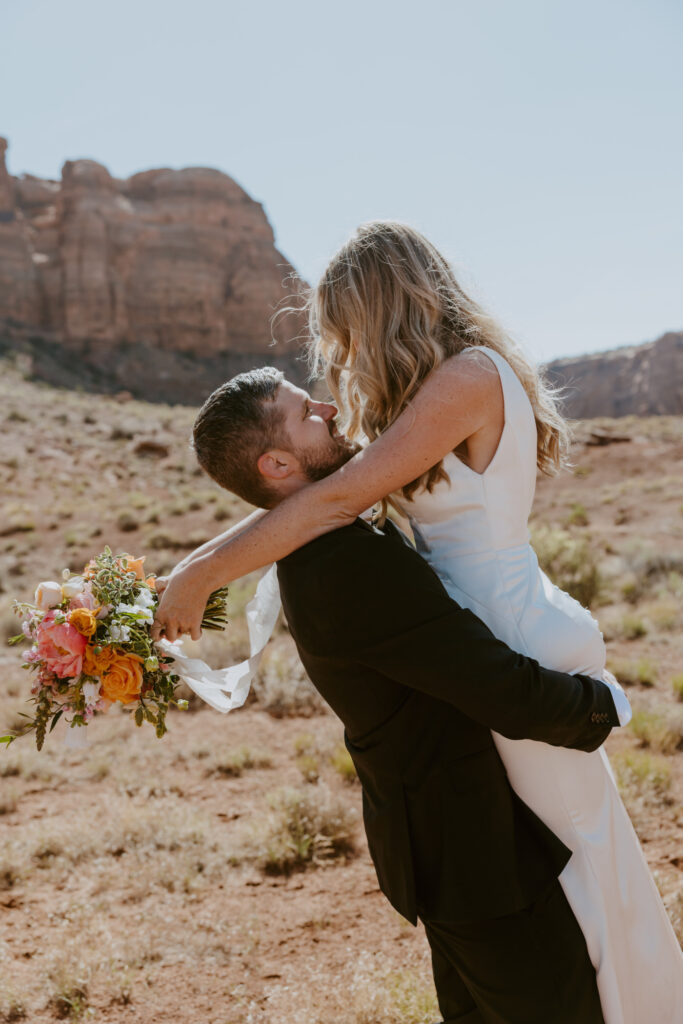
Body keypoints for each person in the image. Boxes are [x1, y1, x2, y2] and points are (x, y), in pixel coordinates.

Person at [153, 224, 683, 1021]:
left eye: (343, 330)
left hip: (506, 631)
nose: (338, 358)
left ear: (381, 308)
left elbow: (330, 499)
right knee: (572, 868)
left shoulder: (466, 378)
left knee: (576, 867)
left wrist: (199, 571)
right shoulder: (420, 398)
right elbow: (322, 496)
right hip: (483, 638)